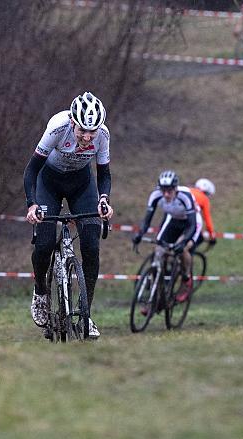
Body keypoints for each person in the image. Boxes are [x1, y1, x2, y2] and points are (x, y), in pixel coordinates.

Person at [23, 92, 114, 339]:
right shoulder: (58, 126)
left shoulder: (102, 135)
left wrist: (104, 199)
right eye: (82, 130)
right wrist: (32, 205)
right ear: (73, 122)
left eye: (91, 132)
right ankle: (41, 290)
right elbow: (31, 170)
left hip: (82, 185)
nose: (87, 137)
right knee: (43, 244)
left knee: (92, 245)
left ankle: (86, 314)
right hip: (48, 183)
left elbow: (104, 174)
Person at [132, 170, 202, 303]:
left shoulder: (185, 196)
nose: (166, 194)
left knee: (183, 249)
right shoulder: (155, 196)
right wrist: (140, 234)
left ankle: (186, 278)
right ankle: (157, 291)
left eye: (169, 190)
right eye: (163, 190)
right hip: (173, 220)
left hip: (190, 222)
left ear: (176, 188)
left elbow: (192, 225)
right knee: (159, 249)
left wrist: (184, 241)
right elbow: (147, 220)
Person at [190, 178, 217, 247]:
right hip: (189, 222)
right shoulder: (204, 199)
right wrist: (212, 235)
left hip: (174, 217)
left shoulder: (188, 190)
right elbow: (207, 219)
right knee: (197, 240)